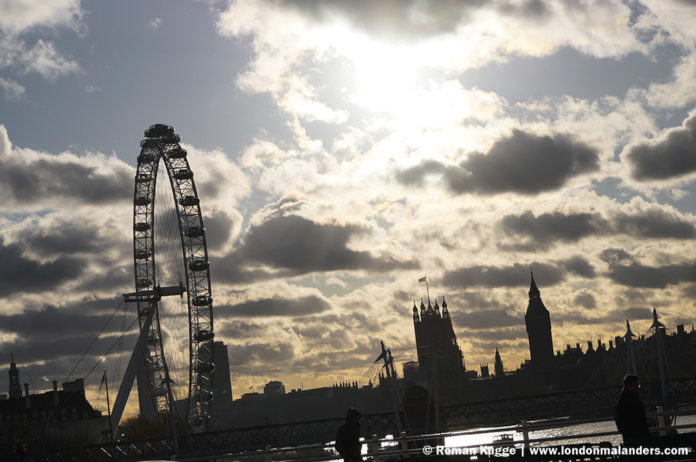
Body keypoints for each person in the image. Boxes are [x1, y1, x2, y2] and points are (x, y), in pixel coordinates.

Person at [614, 374, 650, 446]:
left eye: (638, 385)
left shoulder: (622, 402)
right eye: (636, 386)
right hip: (635, 439)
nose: (638, 388)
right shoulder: (629, 402)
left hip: (632, 439)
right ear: (628, 386)